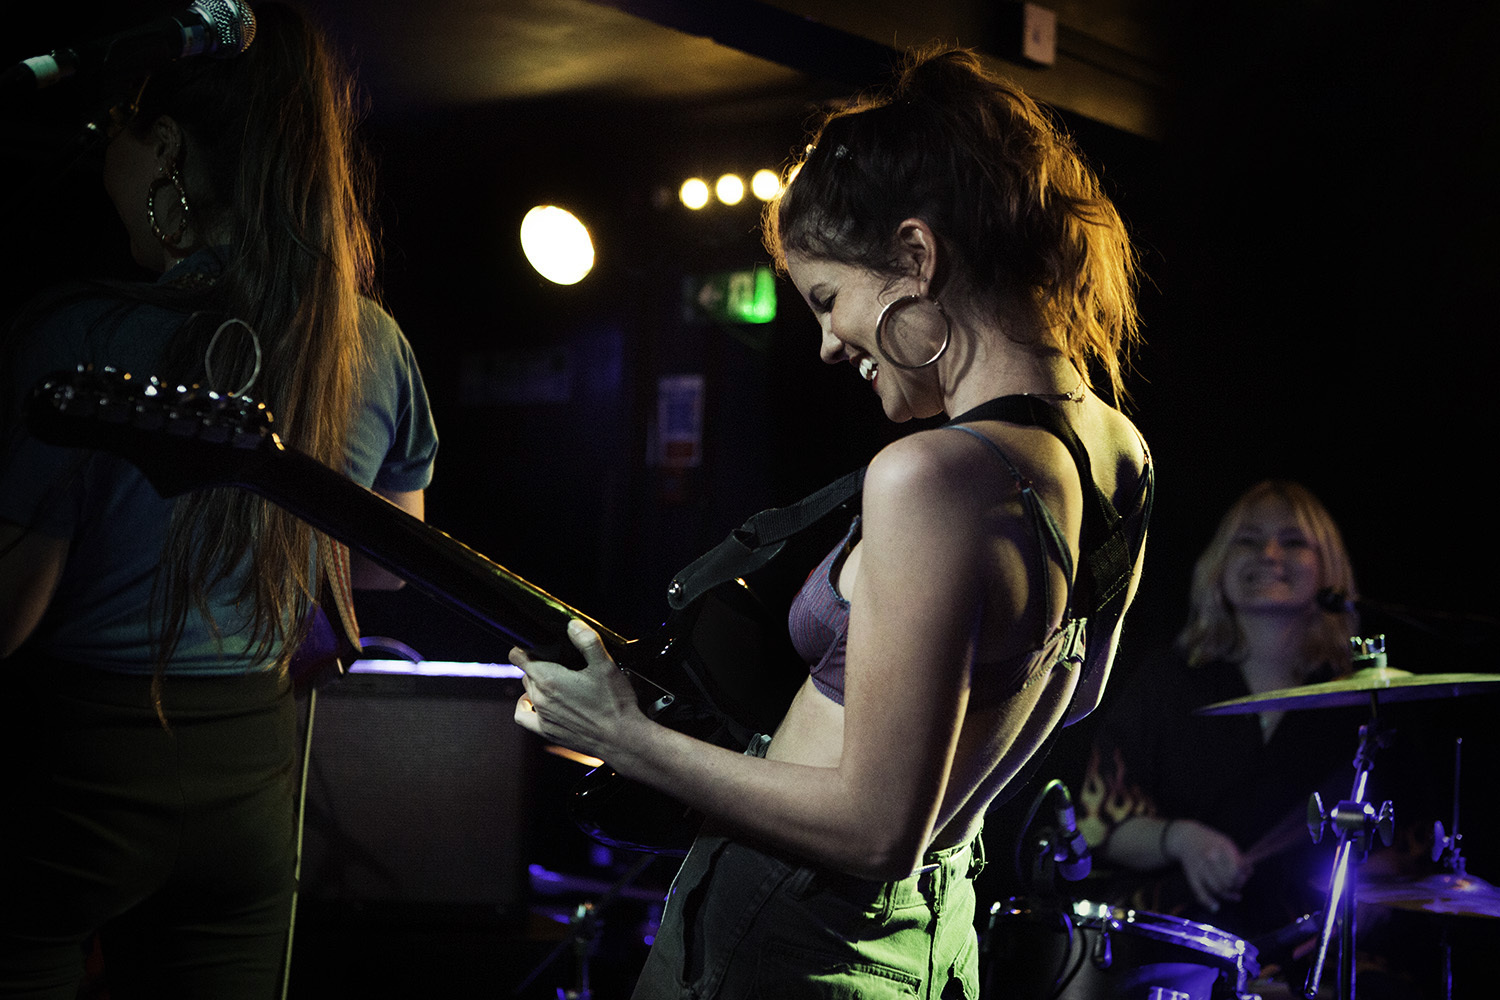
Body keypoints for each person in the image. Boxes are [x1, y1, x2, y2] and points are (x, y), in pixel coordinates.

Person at [511, 47, 1153, 999]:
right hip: (939, 933)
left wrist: (625, 738)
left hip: (794, 936)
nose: (824, 343)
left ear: (916, 258)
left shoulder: (931, 476)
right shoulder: (1119, 452)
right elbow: (1075, 693)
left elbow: (875, 831)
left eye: (828, 299)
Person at [0, 4, 438, 997]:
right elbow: (383, 557)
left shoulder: (78, 331)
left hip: (81, 770)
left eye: (117, 129)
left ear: (167, 152)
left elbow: (11, 608)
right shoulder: (369, 339)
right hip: (249, 768)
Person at [1077, 480, 1361, 945]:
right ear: (1219, 563)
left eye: (1292, 541)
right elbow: (1097, 825)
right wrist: (1181, 839)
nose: (1269, 554)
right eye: (1247, 540)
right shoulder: (1166, 685)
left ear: (1328, 569)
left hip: (1313, 955)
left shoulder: (1359, 706)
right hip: (1175, 945)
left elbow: (1406, 860)